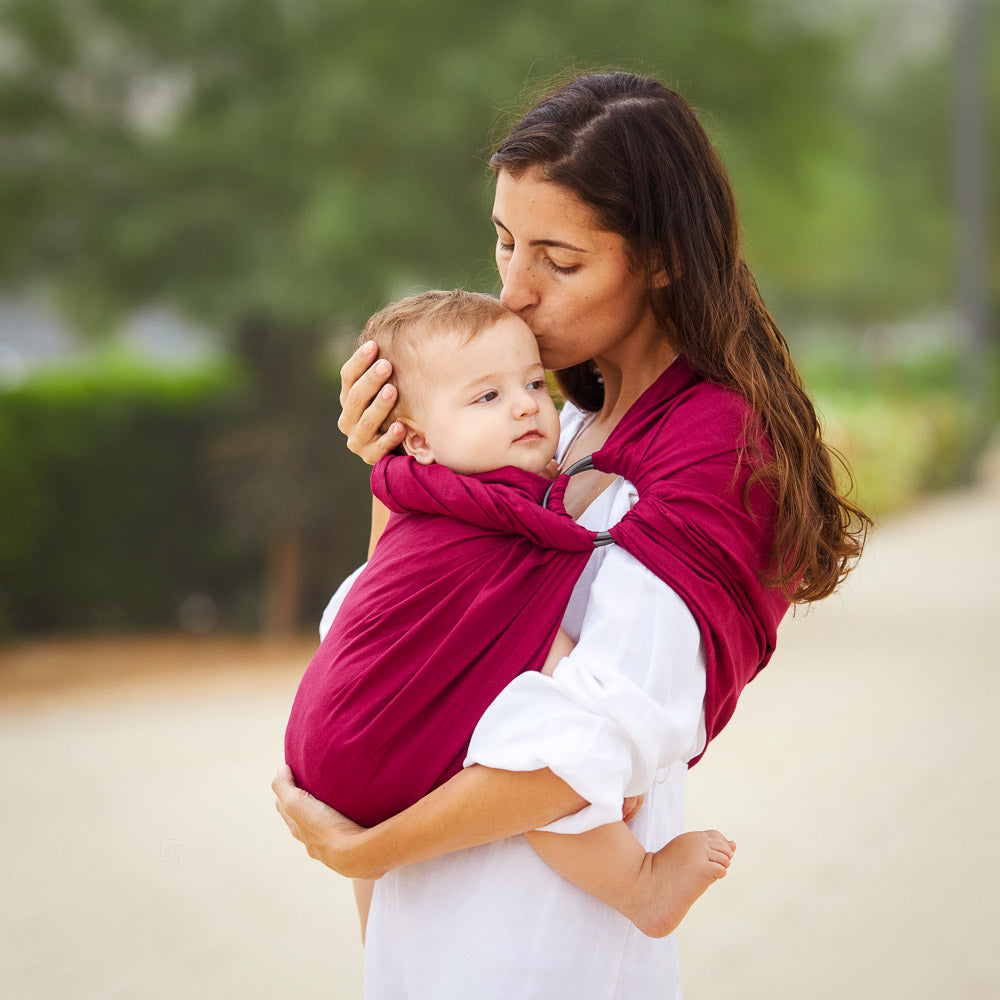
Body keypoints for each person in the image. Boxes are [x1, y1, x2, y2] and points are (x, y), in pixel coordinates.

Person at [273, 71, 870, 999]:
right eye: (505, 243)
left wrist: (363, 844)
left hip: (547, 951)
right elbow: (404, 630)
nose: (512, 293)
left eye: (559, 260)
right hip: (426, 935)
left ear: (664, 257)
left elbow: (592, 744)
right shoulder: (551, 429)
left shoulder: (717, 447)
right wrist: (400, 470)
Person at [284, 287, 735, 940]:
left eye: (533, 384)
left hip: (327, 743)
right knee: (544, 733)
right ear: (417, 439)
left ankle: (373, 931)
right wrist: (591, 765)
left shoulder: (420, 491)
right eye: (487, 397)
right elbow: (534, 634)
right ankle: (639, 884)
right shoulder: (491, 513)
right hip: (361, 748)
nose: (526, 404)